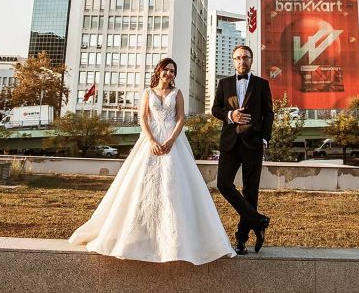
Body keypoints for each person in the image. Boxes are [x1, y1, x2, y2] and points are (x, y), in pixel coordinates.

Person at [68, 58, 234, 264]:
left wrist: (172, 140)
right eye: (166, 70)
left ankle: (177, 241)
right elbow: (143, 119)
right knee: (140, 186)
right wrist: (151, 141)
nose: (169, 74)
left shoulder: (177, 93)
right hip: (151, 140)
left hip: (173, 140)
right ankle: (138, 236)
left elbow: (181, 118)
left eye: (173, 71)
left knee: (173, 187)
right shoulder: (148, 93)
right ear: (159, 71)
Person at [211, 44, 274, 255]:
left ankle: (241, 240)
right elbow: (215, 109)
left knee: (250, 192)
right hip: (229, 142)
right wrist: (231, 115)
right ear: (233, 60)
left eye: (245, 58)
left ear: (251, 60)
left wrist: (264, 139)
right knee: (223, 184)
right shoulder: (224, 83)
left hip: (253, 144)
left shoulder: (262, 84)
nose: (242, 61)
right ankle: (259, 221)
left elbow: (268, 113)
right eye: (238, 58)